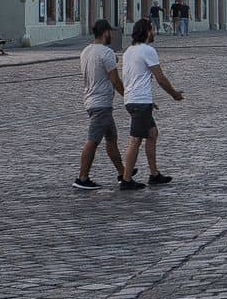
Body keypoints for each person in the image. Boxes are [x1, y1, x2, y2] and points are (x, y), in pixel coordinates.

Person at [74, 19, 139, 191]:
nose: (111, 35)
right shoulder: (106, 53)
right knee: (93, 140)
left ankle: (123, 173)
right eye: (110, 32)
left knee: (111, 139)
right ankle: (82, 177)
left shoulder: (86, 51)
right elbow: (115, 79)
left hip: (91, 99)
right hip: (101, 103)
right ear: (105, 33)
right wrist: (128, 95)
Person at [120, 18, 184, 186]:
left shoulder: (128, 51)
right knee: (135, 140)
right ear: (147, 32)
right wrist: (174, 94)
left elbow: (131, 77)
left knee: (152, 133)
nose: (154, 32)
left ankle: (154, 174)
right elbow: (160, 78)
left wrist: (148, 100)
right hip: (139, 101)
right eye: (153, 29)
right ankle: (126, 179)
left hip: (134, 99)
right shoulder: (148, 50)